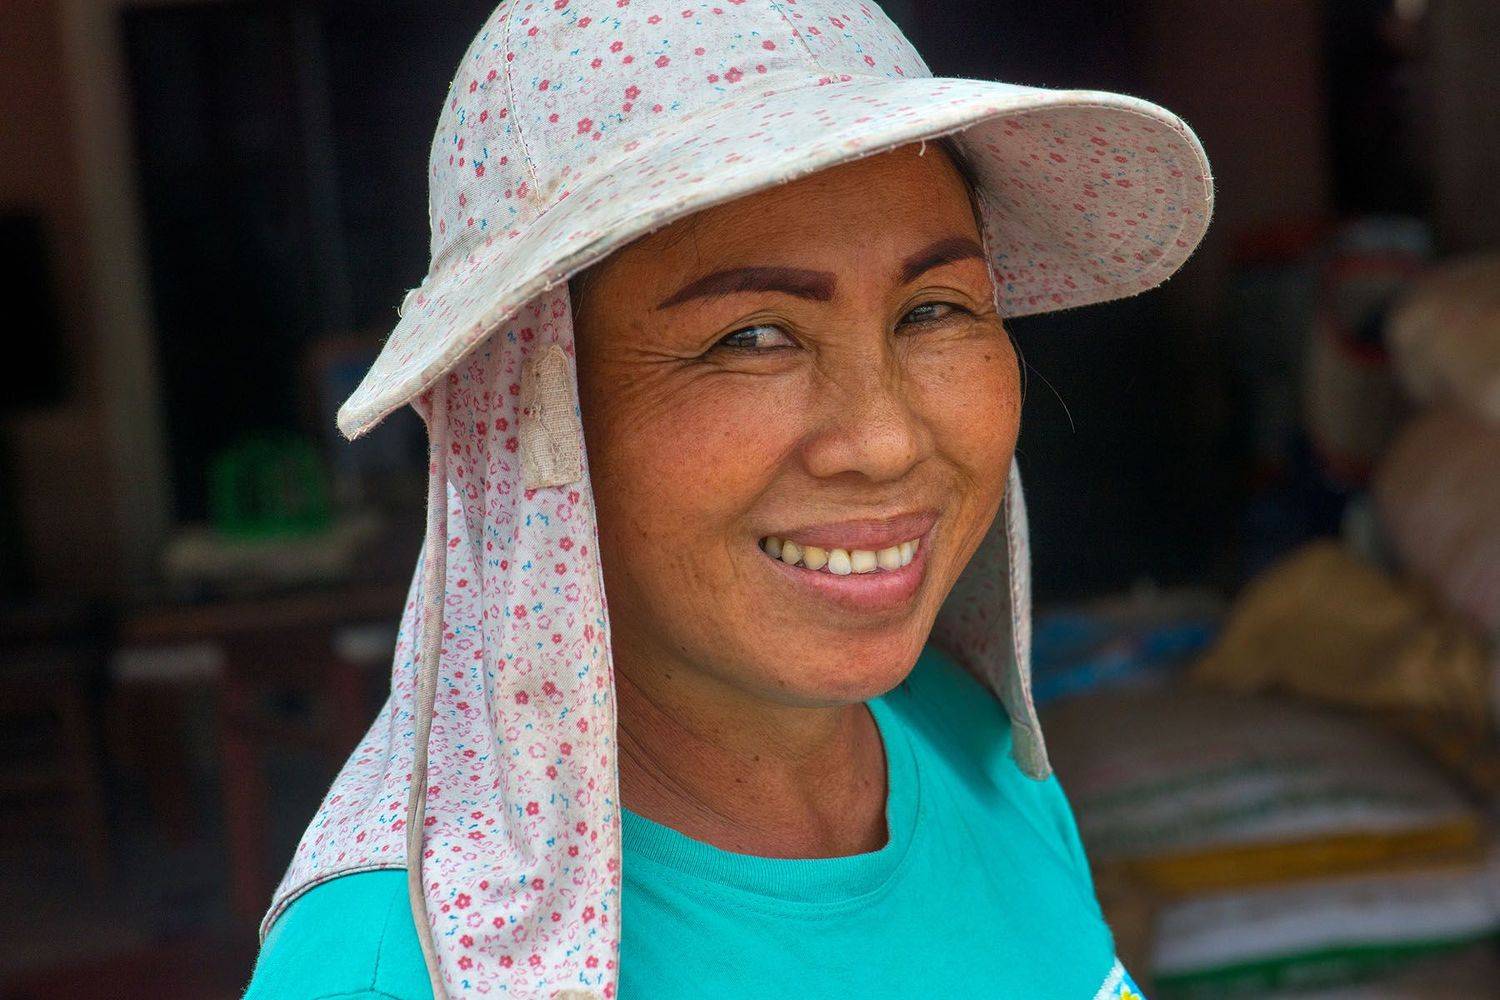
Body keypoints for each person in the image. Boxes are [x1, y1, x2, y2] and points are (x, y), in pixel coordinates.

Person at [244, 2, 1212, 998]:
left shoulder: (967, 745)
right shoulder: (409, 966)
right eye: (752, 337)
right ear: (528, 418)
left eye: (933, 310)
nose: (884, 441)